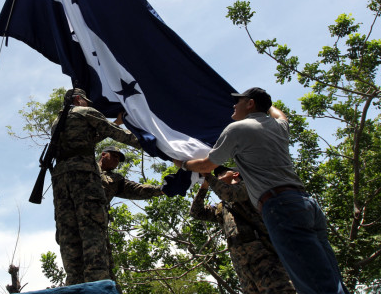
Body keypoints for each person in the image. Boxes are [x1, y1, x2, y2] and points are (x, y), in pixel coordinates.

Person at [177, 87, 348, 294]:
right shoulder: (279, 127)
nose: (233, 105)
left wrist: (184, 164)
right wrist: (267, 105)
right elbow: (280, 115)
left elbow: (206, 165)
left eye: (238, 101)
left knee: (315, 284)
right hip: (305, 204)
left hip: (280, 207)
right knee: (330, 278)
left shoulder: (237, 129)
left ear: (250, 104)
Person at [52, 88, 141, 286]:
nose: (89, 104)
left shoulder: (57, 122)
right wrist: (152, 144)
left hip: (60, 182)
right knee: (92, 235)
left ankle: (75, 286)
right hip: (84, 178)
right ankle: (97, 286)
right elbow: (118, 135)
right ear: (77, 99)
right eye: (86, 100)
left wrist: (114, 122)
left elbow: (84, 139)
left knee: (69, 239)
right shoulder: (85, 113)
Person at [190, 165, 295, 293]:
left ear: (235, 174)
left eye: (222, 173)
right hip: (241, 264)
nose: (218, 177)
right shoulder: (222, 208)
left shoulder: (249, 189)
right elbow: (196, 212)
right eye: (217, 176)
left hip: (264, 256)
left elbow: (230, 194)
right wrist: (204, 186)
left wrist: (208, 176)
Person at [99, 145, 163, 292]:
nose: (116, 161)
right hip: (70, 224)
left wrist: (163, 189)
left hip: (97, 230)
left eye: (119, 160)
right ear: (103, 154)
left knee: (102, 271)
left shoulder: (115, 179)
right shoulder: (85, 165)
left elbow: (138, 189)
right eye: (114, 156)